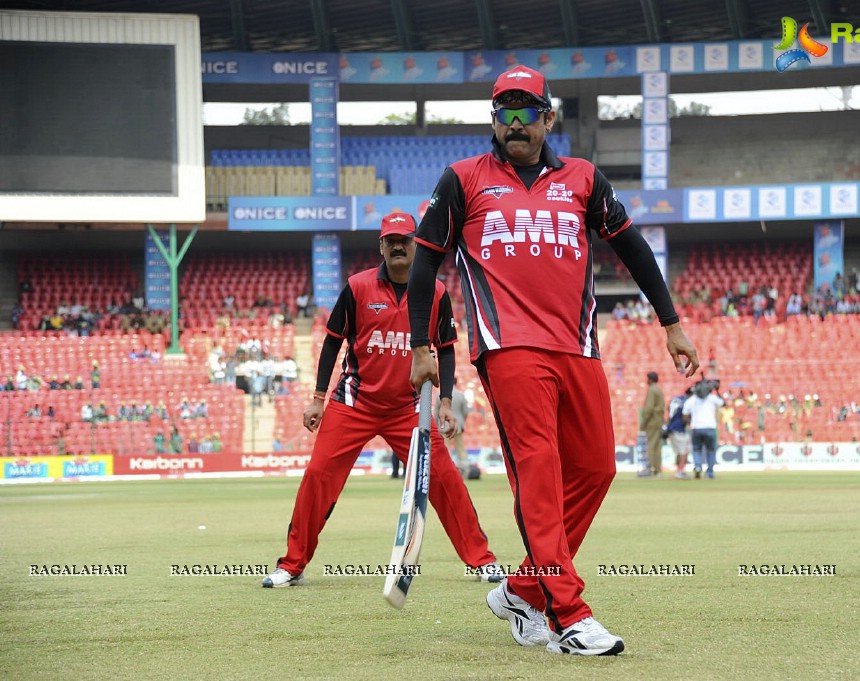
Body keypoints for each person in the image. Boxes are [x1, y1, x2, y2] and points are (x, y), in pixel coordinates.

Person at [407, 65, 700, 656]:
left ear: (548, 117)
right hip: (508, 346)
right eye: (504, 112)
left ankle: (523, 590)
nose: (515, 122)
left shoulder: (584, 179)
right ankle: (569, 614)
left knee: (595, 469)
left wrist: (671, 323)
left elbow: (633, 248)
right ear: (494, 120)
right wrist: (420, 348)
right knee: (539, 474)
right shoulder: (462, 179)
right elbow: (422, 265)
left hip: (577, 345)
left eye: (527, 110)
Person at [262, 213, 503, 589]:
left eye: (404, 239)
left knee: (444, 478)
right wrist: (318, 399)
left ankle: (481, 560)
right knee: (317, 476)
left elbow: (447, 350)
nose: (397, 246)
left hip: (407, 409)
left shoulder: (436, 292)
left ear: (416, 243)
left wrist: (445, 402)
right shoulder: (357, 287)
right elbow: (331, 343)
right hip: (353, 403)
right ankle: (292, 564)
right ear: (381, 246)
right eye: (390, 240)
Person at [683, 379, 723, 479]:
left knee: (696, 449)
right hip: (710, 427)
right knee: (711, 450)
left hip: (696, 428)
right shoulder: (712, 398)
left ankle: (697, 467)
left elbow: (685, 415)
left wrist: (689, 423)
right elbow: (722, 403)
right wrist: (717, 390)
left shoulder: (691, 400)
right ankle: (710, 473)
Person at [437, 378, 472, 477]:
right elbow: (465, 411)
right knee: (460, 448)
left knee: (446, 448)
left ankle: (448, 471)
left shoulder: (439, 396)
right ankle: (465, 471)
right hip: (458, 425)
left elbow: (436, 413)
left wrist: (437, 425)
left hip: (444, 425)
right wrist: (461, 421)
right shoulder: (460, 395)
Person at [638, 371, 666, 477]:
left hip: (652, 421)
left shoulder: (652, 390)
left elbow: (649, 408)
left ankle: (650, 469)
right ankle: (657, 470)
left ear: (650, 379)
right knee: (657, 446)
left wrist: (644, 421)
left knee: (651, 445)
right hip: (658, 420)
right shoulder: (658, 389)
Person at [666, 386, 693, 479]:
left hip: (671, 428)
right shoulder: (687, 402)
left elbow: (669, 410)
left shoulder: (676, 399)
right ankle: (680, 471)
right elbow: (685, 416)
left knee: (679, 452)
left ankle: (678, 470)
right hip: (679, 429)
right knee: (685, 451)